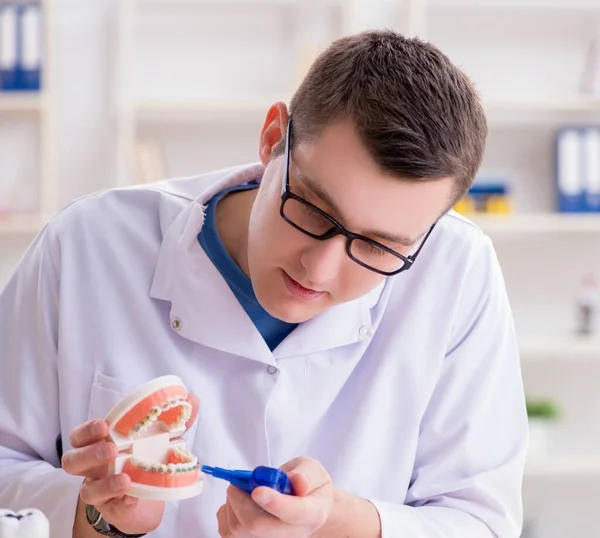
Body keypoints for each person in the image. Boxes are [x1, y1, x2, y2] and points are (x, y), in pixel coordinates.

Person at [0, 29, 528, 538]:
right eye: (313, 209)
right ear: (273, 137)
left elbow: (480, 520)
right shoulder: (88, 243)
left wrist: (337, 523)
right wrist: (97, 519)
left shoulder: (458, 270)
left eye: (379, 246)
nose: (318, 270)